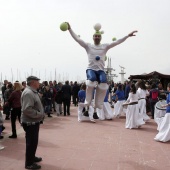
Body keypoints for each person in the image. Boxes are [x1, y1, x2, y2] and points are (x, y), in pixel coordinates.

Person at [66, 22, 137, 118]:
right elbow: (77, 39)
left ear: (100, 37)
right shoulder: (88, 46)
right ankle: (87, 104)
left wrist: (127, 36)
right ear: (93, 37)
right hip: (91, 69)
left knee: (104, 84)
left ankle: (97, 105)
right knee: (91, 82)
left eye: (98, 36)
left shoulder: (105, 46)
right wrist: (70, 29)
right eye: (95, 36)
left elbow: (117, 42)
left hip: (100, 71)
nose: (96, 37)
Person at [21, 76, 45, 169]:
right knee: (31, 143)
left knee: (33, 142)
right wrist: (39, 114)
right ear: (33, 82)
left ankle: (32, 157)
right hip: (30, 122)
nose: (39, 83)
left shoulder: (32, 92)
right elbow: (27, 109)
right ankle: (29, 163)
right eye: (38, 82)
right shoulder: (28, 93)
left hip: (33, 121)